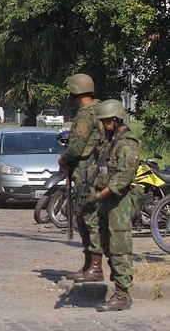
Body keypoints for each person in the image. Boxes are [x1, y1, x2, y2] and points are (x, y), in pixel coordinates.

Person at [82, 99, 140, 312]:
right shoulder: (109, 140)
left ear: (116, 120)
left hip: (118, 203)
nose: (104, 125)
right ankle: (119, 289)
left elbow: (122, 178)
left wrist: (98, 196)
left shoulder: (127, 143)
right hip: (105, 201)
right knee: (107, 246)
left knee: (120, 249)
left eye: (106, 122)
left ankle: (122, 295)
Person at [57, 73, 105, 283]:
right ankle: (88, 265)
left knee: (87, 216)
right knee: (86, 215)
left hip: (87, 169)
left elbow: (76, 146)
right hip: (95, 169)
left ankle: (95, 267)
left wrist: (63, 159)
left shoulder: (86, 114)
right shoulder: (101, 109)